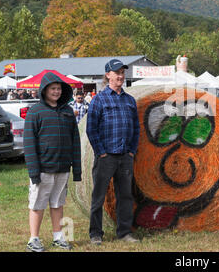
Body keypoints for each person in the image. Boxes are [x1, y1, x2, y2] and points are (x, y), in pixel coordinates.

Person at [24, 72, 82, 252]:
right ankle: (33, 239)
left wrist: (77, 169)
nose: (56, 92)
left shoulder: (67, 111)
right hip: (42, 168)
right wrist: (34, 171)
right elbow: (29, 143)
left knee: (58, 203)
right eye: (53, 89)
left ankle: (58, 236)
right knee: (37, 204)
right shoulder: (35, 112)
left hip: (63, 167)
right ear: (44, 90)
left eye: (59, 89)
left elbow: (75, 140)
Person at [86, 59, 140, 245]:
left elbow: (136, 128)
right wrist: (101, 152)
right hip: (106, 157)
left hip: (125, 156)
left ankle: (124, 232)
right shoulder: (99, 99)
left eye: (122, 72)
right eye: (117, 72)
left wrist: (132, 151)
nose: (120, 76)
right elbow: (91, 129)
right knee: (98, 197)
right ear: (108, 75)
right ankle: (95, 234)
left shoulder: (129, 100)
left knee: (125, 196)